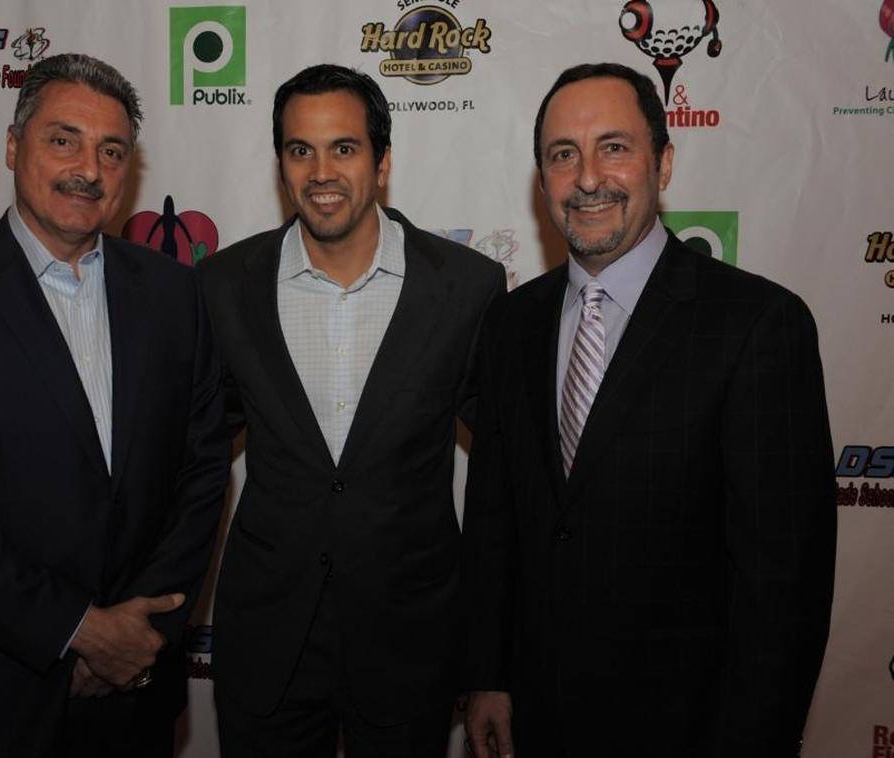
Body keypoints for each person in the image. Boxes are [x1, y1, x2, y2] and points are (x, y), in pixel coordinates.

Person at [460, 62, 836, 758]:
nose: (589, 177)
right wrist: (487, 675)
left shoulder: (756, 324)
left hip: (692, 726)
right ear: (542, 179)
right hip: (535, 719)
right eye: (562, 155)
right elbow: (494, 518)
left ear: (663, 163)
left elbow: (784, 582)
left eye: (615, 146)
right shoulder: (511, 325)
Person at [0, 53, 229, 757]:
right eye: (64, 139)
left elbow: (204, 468)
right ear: (13, 145)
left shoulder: (175, 294)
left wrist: (137, 636)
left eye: (111, 150)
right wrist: (80, 631)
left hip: (134, 696)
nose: (88, 168)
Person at [198, 63, 506, 757]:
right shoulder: (224, 285)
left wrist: (497, 651)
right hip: (268, 642)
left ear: (383, 161)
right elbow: (191, 458)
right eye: (299, 149)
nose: (321, 170)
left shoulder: (466, 288)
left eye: (344, 147)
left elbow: (509, 475)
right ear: (281, 164)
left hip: (409, 642)